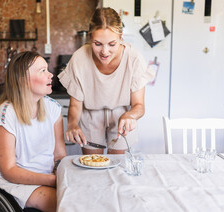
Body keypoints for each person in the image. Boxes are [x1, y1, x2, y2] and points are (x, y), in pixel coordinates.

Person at [59, 7, 155, 155]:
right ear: (90, 36)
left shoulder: (134, 58)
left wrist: (130, 115)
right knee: (93, 167)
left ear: (121, 37)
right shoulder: (79, 59)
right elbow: (76, 105)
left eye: (112, 44)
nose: (104, 52)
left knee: (118, 168)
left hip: (121, 115)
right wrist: (72, 124)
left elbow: (139, 105)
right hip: (90, 115)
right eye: (97, 44)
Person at [0, 51, 67, 212]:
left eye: (47, 69)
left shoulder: (53, 108)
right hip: (17, 182)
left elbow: (59, 155)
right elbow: (9, 169)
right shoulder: (6, 114)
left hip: (49, 178)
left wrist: (61, 174)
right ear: (23, 80)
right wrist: (52, 181)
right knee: (70, 205)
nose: (51, 75)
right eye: (42, 71)